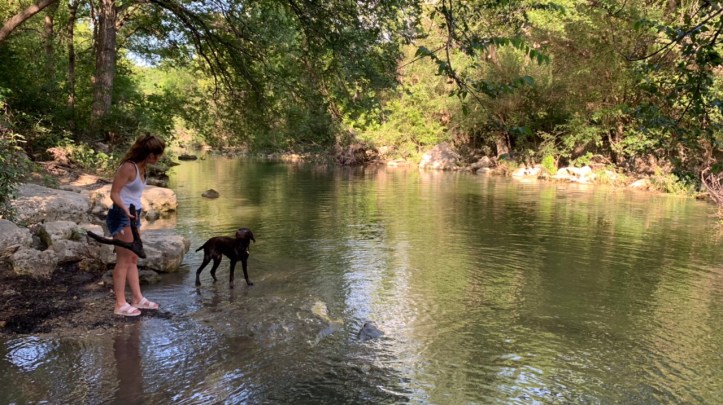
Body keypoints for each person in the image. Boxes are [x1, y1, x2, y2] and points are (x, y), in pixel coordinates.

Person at [107, 133, 165, 316]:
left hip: (134, 215)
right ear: (148, 154)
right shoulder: (128, 167)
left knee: (133, 258)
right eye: (157, 154)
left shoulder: (143, 168)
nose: (159, 158)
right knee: (123, 260)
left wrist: (135, 213)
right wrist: (125, 210)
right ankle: (120, 304)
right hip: (122, 214)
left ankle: (138, 299)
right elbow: (114, 193)